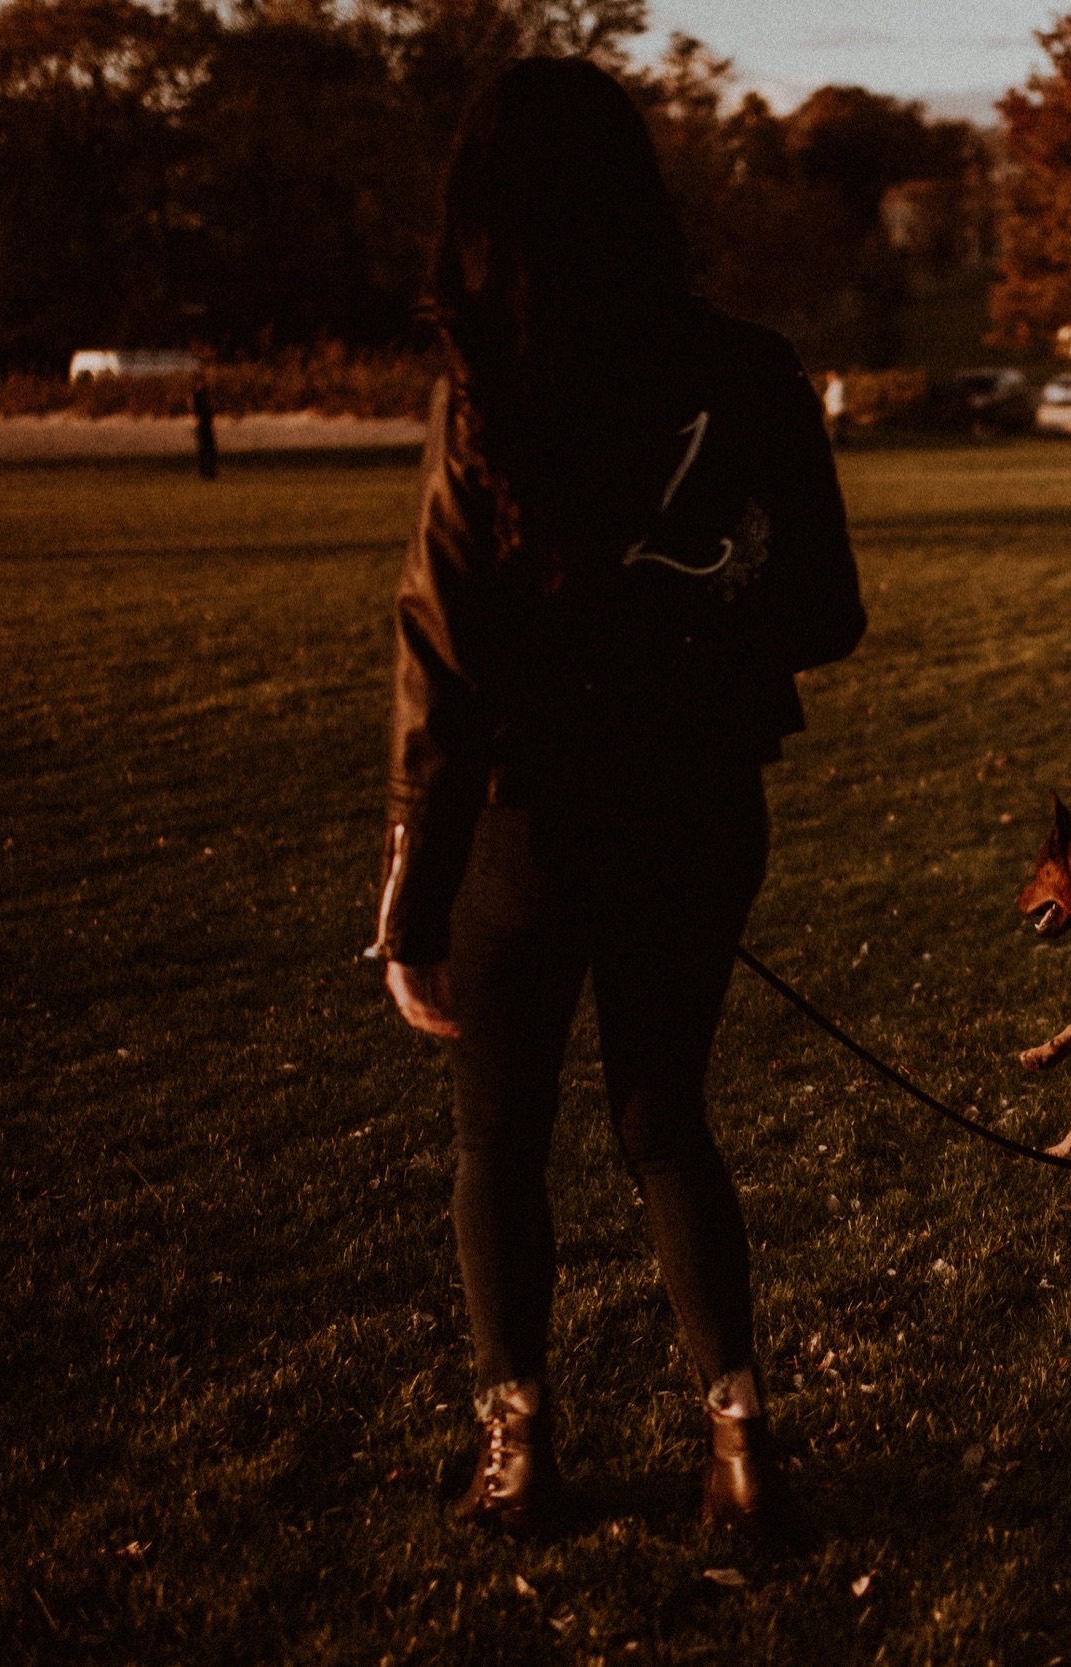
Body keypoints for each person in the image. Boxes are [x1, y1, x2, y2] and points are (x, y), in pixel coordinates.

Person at [367, 57, 864, 1539]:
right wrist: (697, 623)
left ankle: (518, 1457)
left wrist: (412, 901)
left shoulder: (485, 399)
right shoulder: (751, 371)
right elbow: (827, 610)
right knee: (664, 1121)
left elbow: (442, 667)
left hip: (526, 829)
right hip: (700, 811)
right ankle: (743, 1448)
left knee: (496, 1141)